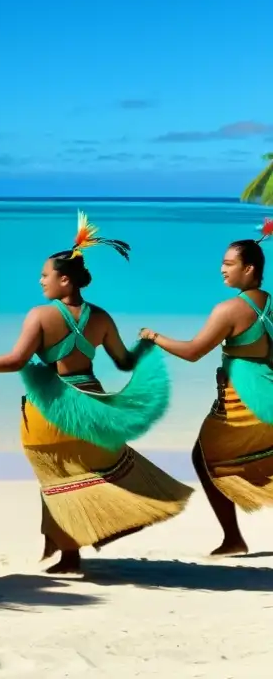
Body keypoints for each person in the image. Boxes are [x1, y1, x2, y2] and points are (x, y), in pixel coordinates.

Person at [0, 212, 191, 573]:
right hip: (94, 410)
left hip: (51, 412)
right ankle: (62, 542)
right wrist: (148, 344)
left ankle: (68, 554)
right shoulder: (101, 317)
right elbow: (124, 362)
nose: (40, 281)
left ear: (65, 279)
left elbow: (14, 361)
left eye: (45, 275)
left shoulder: (40, 316)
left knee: (55, 479)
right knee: (91, 476)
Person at [140, 219, 273, 556]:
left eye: (229, 264)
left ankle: (233, 539)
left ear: (250, 268)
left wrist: (155, 337)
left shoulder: (229, 310)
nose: (222, 270)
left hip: (243, 401)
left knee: (203, 458)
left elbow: (193, 352)